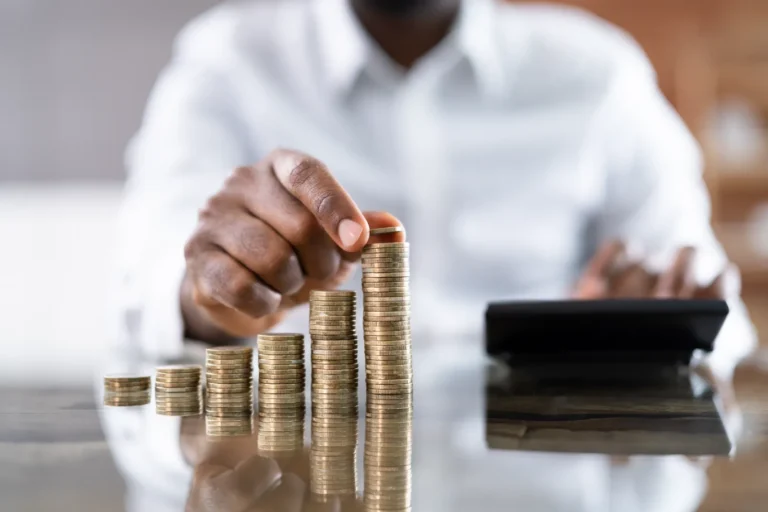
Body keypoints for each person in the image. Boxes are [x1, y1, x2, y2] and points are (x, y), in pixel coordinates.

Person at [116, 0, 755, 376]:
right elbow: (152, 275)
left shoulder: (599, 74)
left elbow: (717, 312)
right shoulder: (226, 60)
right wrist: (213, 289)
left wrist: (661, 318)